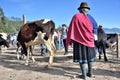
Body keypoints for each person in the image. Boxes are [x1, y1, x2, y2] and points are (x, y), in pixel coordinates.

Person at [66, 2, 98, 80]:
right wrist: (94, 36)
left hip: (79, 41)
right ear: (87, 10)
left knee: (82, 58)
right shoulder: (91, 17)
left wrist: (71, 40)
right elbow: (95, 27)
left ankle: (84, 75)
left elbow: (71, 28)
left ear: (80, 10)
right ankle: (90, 73)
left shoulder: (76, 16)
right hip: (90, 41)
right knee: (90, 58)